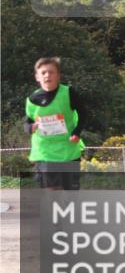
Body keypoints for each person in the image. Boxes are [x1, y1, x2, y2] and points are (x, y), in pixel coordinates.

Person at [23, 57, 86, 190]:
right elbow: (28, 121)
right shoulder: (32, 99)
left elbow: (83, 113)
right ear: (37, 77)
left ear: (58, 75)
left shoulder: (69, 92)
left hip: (67, 148)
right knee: (50, 192)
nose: (47, 75)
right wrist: (30, 128)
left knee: (71, 193)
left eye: (51, 72)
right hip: (45, 151)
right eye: (43, 73)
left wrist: (77, 132)